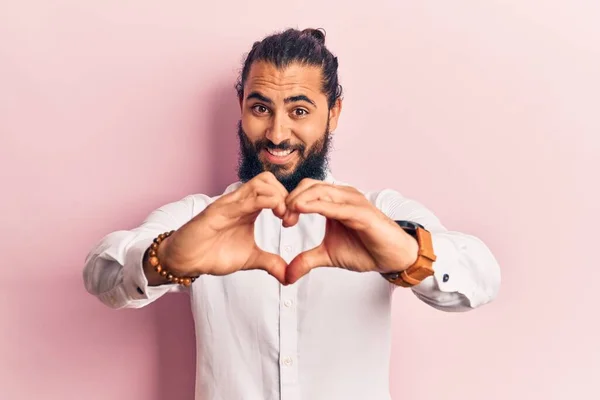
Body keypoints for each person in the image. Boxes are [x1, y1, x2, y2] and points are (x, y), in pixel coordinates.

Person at [83, 27, 501, 400]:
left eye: (299, 111)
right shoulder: (202, 217)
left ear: (333, 112)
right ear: (241, 106)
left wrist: (407, 254)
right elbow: (102, 273)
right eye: (260, 108)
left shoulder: (379, 214)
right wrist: (164, 259)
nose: (277, 134)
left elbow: (481, 276)